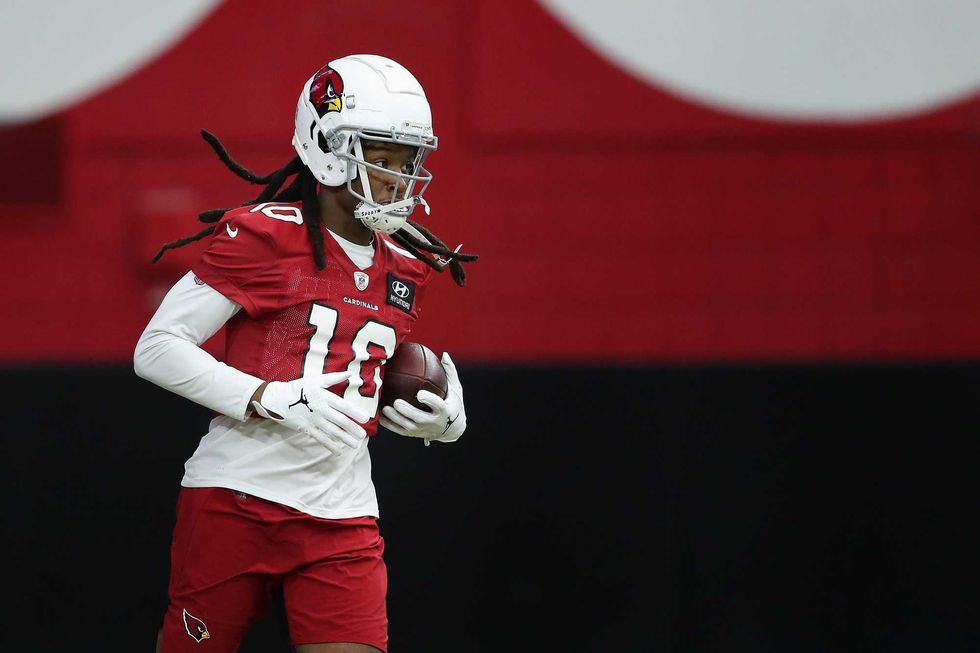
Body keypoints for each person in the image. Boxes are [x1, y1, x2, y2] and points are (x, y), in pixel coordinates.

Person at [134, 54, 477, 653]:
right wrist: (264, 396)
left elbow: (355, 378)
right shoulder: (266, 236)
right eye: (381, 157)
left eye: (407, 161)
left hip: (343, 513)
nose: (399, 177)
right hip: (236, 500)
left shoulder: (410, 264)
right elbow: (157, 347)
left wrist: (443, 421)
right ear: (327, 147)